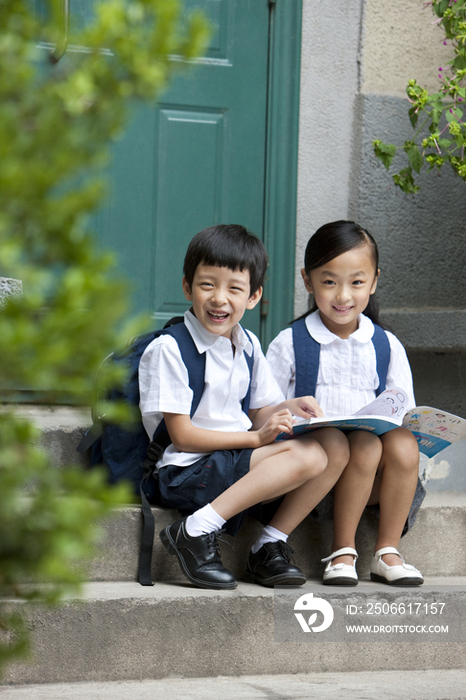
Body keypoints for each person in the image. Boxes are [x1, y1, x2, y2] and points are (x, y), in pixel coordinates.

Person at [138, 224, 350, 590]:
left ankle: (268, 545)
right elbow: (183, 437)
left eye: (234, 288)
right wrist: (255, 439)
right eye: (208, 285)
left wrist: (291, 407)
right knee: (309, 458)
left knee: (335, 445)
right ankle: (194, 530)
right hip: (184, 470)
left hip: (232, 458)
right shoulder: (170, 349)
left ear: (253, 296)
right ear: (187, 287)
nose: (220, 298)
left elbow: (260, 414)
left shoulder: (248, 343)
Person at [266, 220, 425, 587]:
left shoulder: (386, 345)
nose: (343, 296)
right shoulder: (290, 343)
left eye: (356, 282)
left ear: (373, 281)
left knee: (401, 440)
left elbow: (404, 409)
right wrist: (289, 410)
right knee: (364, 443)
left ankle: (387, 551)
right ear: (308, 281)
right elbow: (263, 412)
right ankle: (342, 550)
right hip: (316, 480)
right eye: (329, 281)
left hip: (372, 482)